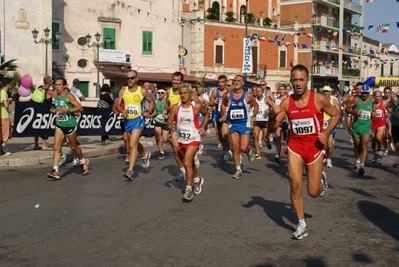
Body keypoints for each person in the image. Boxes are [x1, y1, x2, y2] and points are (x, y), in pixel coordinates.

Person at [268, 64, 339, 240]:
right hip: (295, 147)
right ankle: (301, 224)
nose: (298, 83)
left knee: (313, 192)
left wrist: (326, 132)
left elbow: (337, 114)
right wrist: (272, 115)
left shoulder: (319, 99)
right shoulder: (286, 102)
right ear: (291, 82)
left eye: (301, 79)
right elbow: (272, 128)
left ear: (307, 80)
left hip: (314, 147)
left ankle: (321, 180)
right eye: (295, 80)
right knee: (294, 184)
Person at [167, 83, 209, 202]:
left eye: (186, 93)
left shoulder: (196, 106)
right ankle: (197, 179)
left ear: (190, 94)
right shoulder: (175, 107)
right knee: (190, 163)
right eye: (181, 93)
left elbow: (206, 115)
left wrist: (203, 127)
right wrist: (170, 124)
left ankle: (188, 189)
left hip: (194, 139)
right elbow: (169, 122)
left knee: (187, 162)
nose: (183, 95)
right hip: (181, 140)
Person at [47, 78, 89, 179]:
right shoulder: (56, 95)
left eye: (59, 85)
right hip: (60, 124)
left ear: (65, 86)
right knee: (56, 147)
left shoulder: (68, 96)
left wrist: (67, 110)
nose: (57, 87)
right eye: (56, 85)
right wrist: (55, 111)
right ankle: (55, 170)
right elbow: (59, 109)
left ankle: (83, 160)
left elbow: (80, 108)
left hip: (70, 124)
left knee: (73, 147)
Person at [115, 70, 154, 180]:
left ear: (137, 78)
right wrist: (121, 111)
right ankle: (144, 154)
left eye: (132, 78)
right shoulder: (123, 90)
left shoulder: (142, 91)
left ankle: (130, 171)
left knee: (132, 144)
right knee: (133, 142)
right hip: (128, 120)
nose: (130, 80)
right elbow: (118, 105)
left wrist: (149, 112)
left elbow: (152, 102)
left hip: (139, 119)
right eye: (128, 78)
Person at [220, 75, 258, 179]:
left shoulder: (248, 95)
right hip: (233, 124)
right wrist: (224, 115)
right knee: (235, 147)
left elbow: (256, 105)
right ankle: (238, 169)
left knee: (243, 147)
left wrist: (253, 116)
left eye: (238, 81)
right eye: (235, 81)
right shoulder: (228, 95)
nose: (236, 83)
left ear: (243, 83)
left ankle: (249, 152)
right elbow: (223, 105)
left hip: (244, 123)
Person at [345, 84, 375, 175]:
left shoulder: (372, 100)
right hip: (356, 127)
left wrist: (373, 113)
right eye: (363, 93)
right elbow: (347, 109)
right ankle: (359, 158)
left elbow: (374, 108)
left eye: (366, 93)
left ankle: (362, 165)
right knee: (357, 146)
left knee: (364, 145)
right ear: (361, 92)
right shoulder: (356, 100)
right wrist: (355, 112)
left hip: (366, 127)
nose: (364, 95)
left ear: (369, 93)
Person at [162, 72, 186, 181]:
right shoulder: (169, 92)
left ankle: (191, 161)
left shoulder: (184, 92)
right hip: (174, 125)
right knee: (176, 150)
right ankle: (182, 171)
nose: (175, 82)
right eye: (174, 79)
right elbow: (167, 103)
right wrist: (165, 111)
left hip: (185, 124)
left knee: (182, 149)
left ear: (181, 81)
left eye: (177, 80)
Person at [209, 75, 232, 161]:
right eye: (219, 82)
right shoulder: (215, 91)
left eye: (222, 82)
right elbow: (210, 103)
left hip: (225, 115)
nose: (220, 84)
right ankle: (225, 148)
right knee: (218, 134)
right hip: (217, 115)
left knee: (224, 135)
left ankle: (226, 150)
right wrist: (213, 102)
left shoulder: (229, 91)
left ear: (225, 82)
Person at [322, 86, 341, 168]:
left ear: (330, 92)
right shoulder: (320, 101)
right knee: (323, 144)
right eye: (324, 91)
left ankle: (329, 159)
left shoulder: (334, 101)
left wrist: (334, 122)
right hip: (321, 125)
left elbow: (338, 114)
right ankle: (323, 156)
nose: (326, 93)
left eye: (327, 91)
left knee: (329, 144)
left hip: (330, 125)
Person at [33, 75, 53, 151]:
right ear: (50, 82)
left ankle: (36, 144)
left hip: (37, 109)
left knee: (36, 127)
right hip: (44, 111)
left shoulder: (39, 88)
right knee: (45, 127)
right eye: (52, 81)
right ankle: (44, 145)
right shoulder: (48, 91)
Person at [253, 85, 273, 159]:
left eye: (259, 91)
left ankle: (267, 143)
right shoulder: (254, 99)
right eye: (257, 91)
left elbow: (272, 106)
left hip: (265, 121)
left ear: (263, 92)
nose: (258, 93)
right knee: (256, 137)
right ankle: (258, 152)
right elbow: (250, 108)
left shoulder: (266, 99)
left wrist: (269, 110)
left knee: (265, 137)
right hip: (257, 121)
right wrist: (253, 117)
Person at [273, 84, 289, 162]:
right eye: (279, 89)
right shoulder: (276, 99)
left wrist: (287, 118)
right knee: (278, 138)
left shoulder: (288, 99)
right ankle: (278, 154)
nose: (281, 91)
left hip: (286, 122)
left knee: (287, 139)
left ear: (286, 90)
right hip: (278, 121)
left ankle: (290, 152)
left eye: (282, 89)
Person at [371, 90, 388, 163]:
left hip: (381, 124)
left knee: (378, 137)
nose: (377, 98)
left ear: (381, 96)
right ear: (374, 96)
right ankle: (375, 154)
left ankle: (380, 149)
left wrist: (389, 116)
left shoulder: (384, 103)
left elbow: (390, 109)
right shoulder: (371, 103)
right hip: (372, 124)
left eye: (379, 96)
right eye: (376, 96)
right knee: (373, 140)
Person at [152, 89, 169, 159]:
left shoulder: (167, 102)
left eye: (162, 93)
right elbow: (155, 112)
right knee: (157, 137)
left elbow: (171, 111)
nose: (160, 94)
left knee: (165, 140)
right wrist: (150, 115)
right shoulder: (156, 102)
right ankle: (161, 152)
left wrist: (168, 116)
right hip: (158, 121)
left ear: (164, 94)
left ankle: (170, 140)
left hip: (165, 122)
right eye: (159, 93)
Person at [0, 78, 13, 156]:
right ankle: (3, 149)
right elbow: (6, 105)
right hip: (4, 116)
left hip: (3, 115)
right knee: (6, 134)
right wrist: (9, 100)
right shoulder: (4, 92)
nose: (11, 85)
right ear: (8, 84)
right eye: (11, 84)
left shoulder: (3, 92)